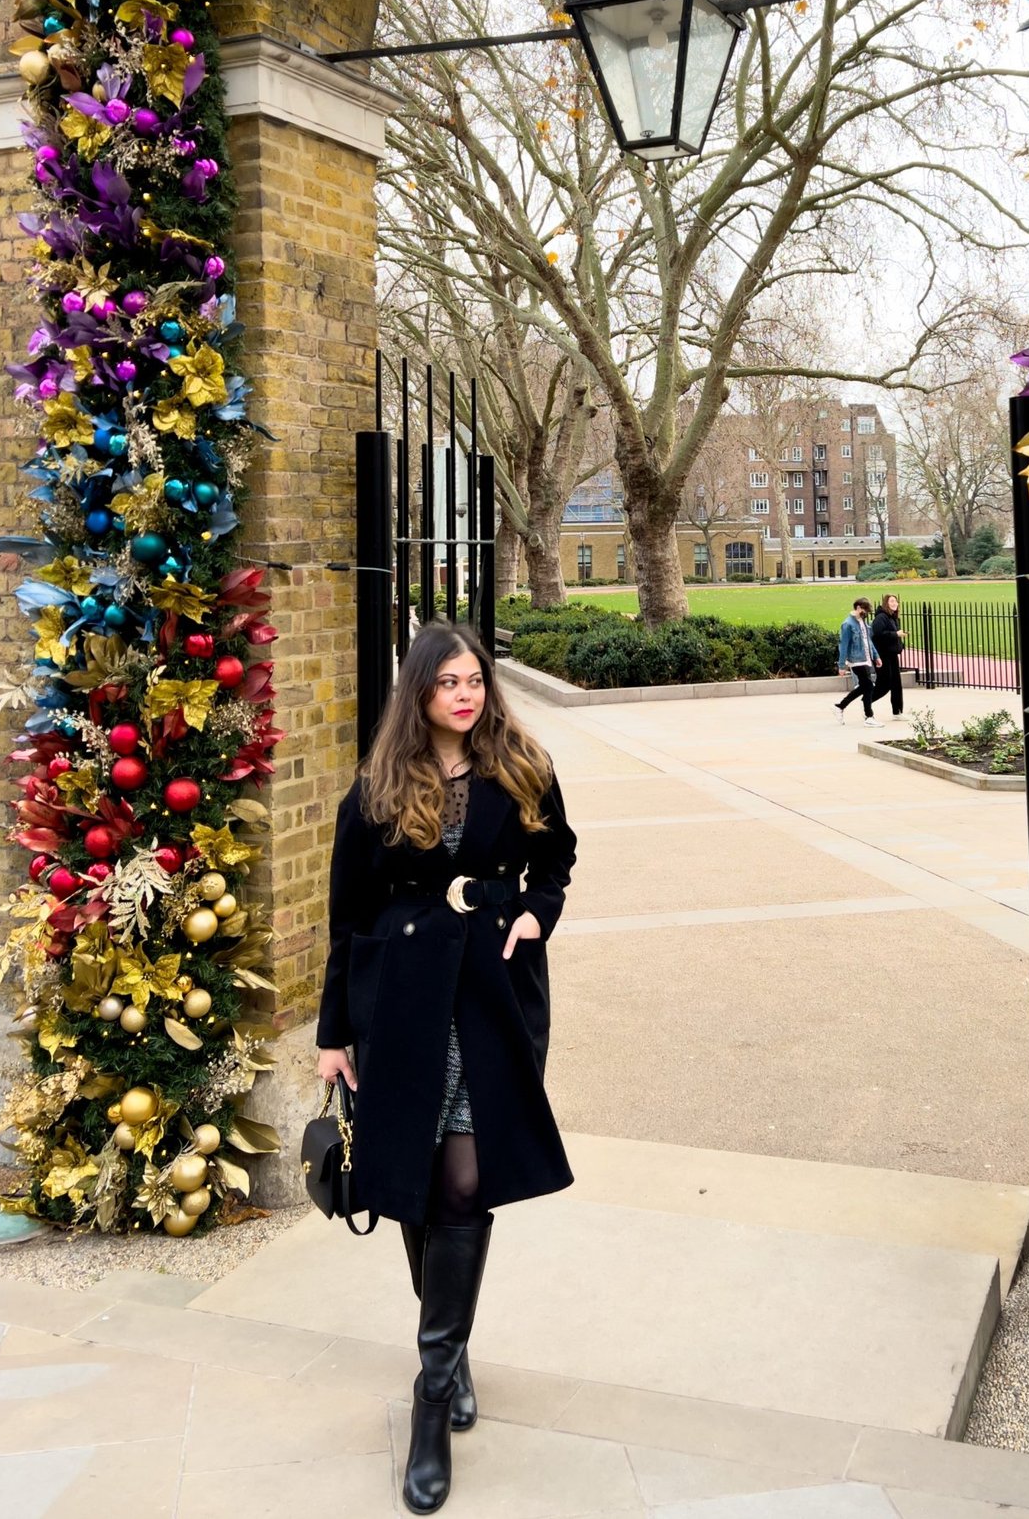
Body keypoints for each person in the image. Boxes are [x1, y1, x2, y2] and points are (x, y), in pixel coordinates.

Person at [315, 620, 577, 1513]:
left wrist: (536, 911)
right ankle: (453, 1351)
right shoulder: (379, 787)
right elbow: (346, 917)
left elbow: (558, 859)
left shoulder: (522, 765)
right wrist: (330, 1032)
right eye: (449, 682)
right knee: (417, 1187)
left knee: (465, 1185)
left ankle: (430, 1399)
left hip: (490, 1002)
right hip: (400, 1006)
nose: (466, 693)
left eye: (476, 679)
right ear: (420, 691)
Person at [835, 596, 881, 723]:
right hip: (856, 660)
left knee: (865, 686)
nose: (866, 613)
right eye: (864, 610)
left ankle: (840, 706)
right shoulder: (847, 624)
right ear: (858, 608)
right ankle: (869, 716)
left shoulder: (862, 622)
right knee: (868, 686)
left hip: (865, 658)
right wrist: (841, 666)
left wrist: (876, 656)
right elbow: (843, 645)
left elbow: (868, 641)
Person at [871, 592, 906, 719]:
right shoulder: (881, 618)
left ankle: (897, 711)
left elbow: (893, 634)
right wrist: (896, 634)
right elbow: (878, 634)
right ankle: (866, 702)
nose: (894, 604)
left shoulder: (893, 618)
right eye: (891, 601)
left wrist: (900, 645)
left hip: (892, 654)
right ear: (886, 603)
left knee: (896, 683)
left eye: (896, 601)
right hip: (882, 654)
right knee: (884, 684)